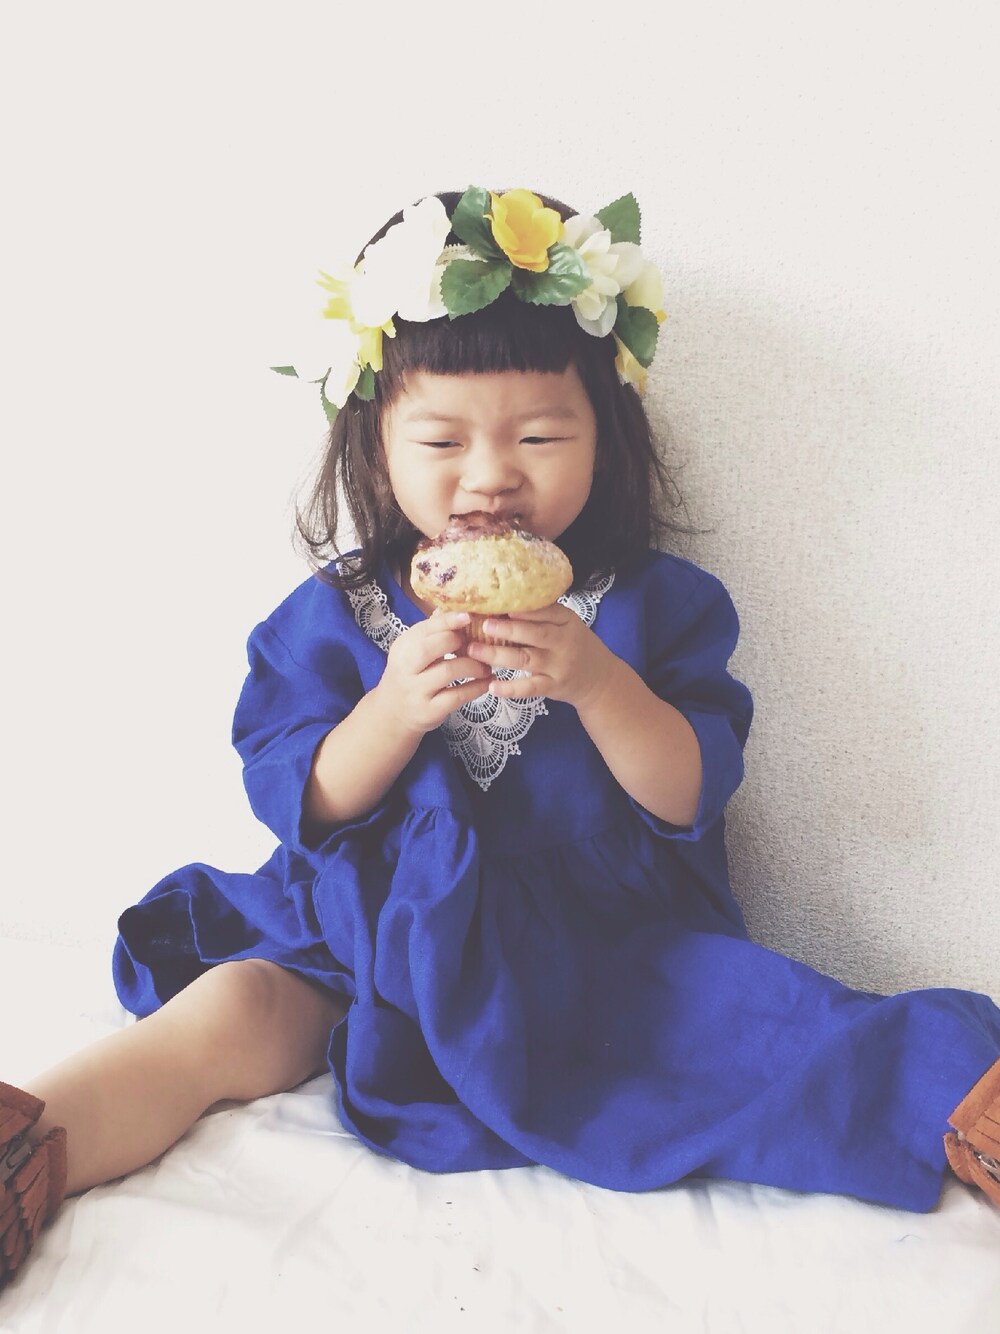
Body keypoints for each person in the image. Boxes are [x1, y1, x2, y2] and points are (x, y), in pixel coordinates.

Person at [3, 187, 999, 1291]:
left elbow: (687, 790)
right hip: (364, 929)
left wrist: (602, 685)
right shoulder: (336, 615)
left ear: (605, 438)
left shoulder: (654, 605)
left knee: (772, 1019)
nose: (489, 474)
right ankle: (30, 1147)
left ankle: (971, 1107)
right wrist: (388, 712)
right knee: (227, 1013)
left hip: (593, 945)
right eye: (442, 439)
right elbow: (303, 797)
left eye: (539, 436)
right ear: (376, 443)